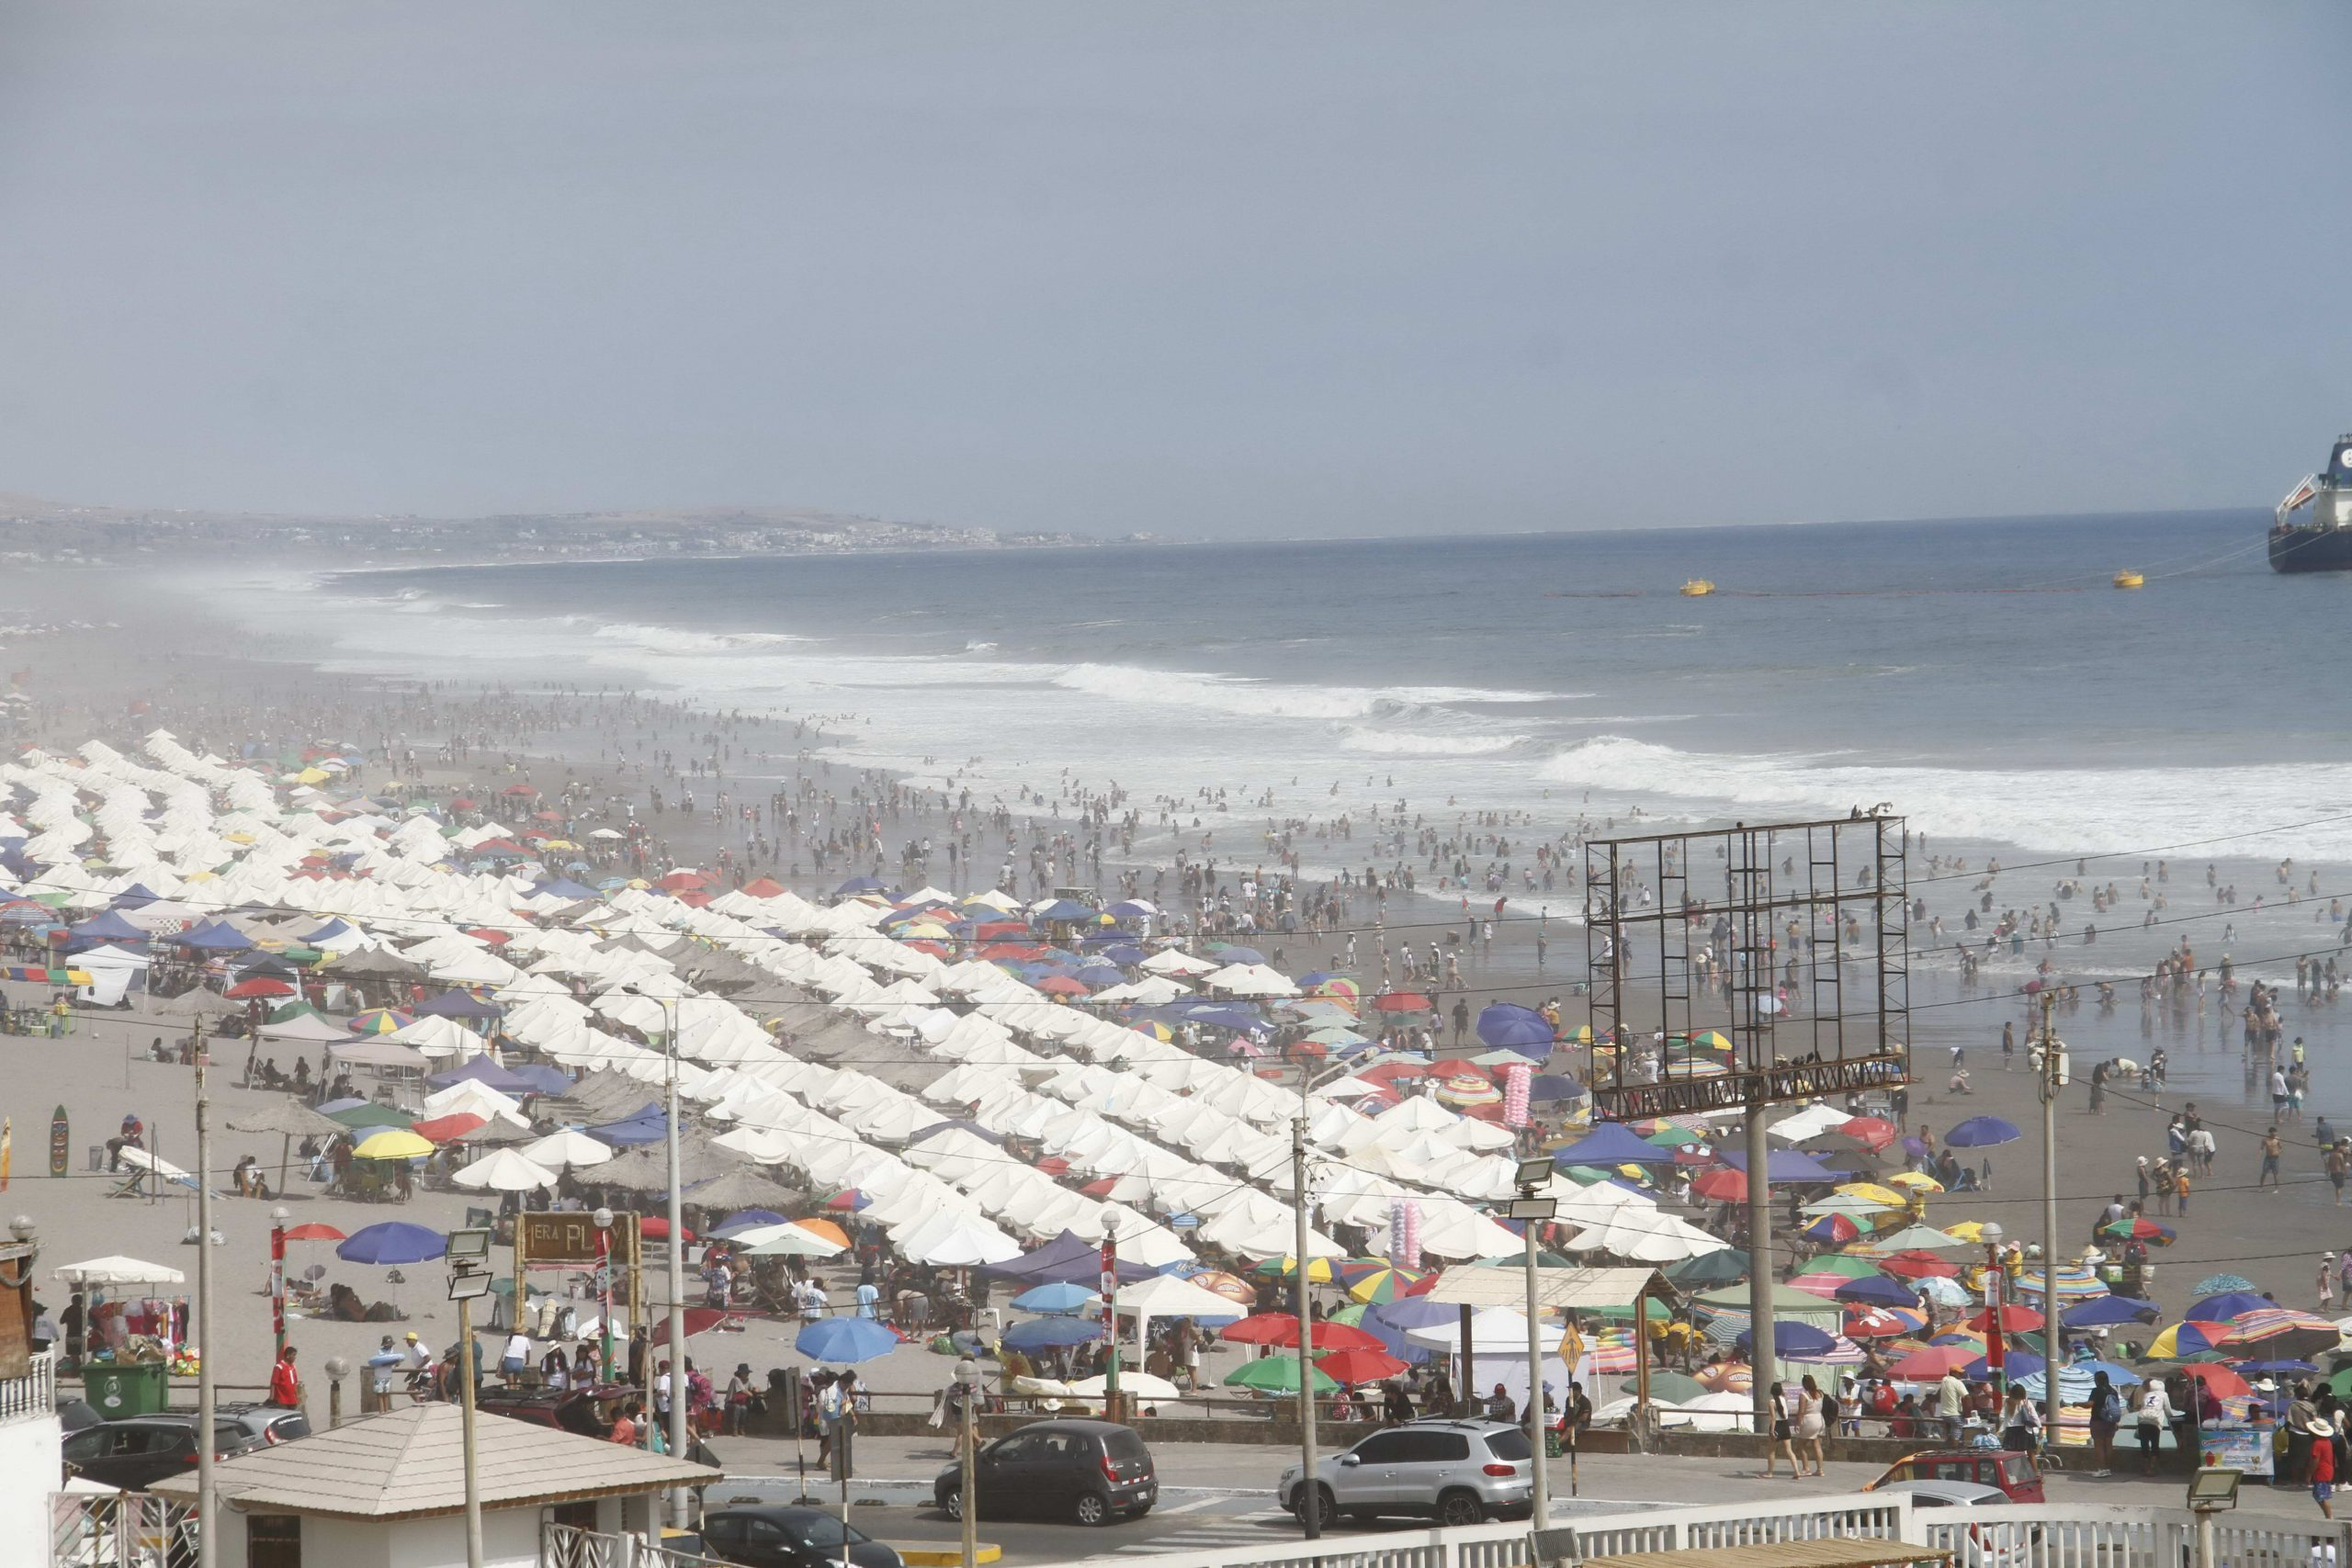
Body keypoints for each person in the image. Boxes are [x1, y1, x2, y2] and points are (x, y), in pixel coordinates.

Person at [2088, 1371, 2122, 1476]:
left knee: (2098, 1445)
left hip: (2098, 1420)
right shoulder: (2113, 1391)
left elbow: (2090, 1404)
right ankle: (2108, 1468)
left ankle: (2102, 1469)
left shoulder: (2096, 1390)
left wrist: (2077, 1403)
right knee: (2108, 1444)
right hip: (2111, 1421)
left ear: (2097, 1380)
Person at [1763, 1381, 1799, 1479]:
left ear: (1771, 1391)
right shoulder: (1784, 1399)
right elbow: (1785, 1395)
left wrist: (1772, 1431)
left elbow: (1773, 1418)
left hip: (1777, 1426)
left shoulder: (1771, 1402)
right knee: (1789, 1450)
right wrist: (1782, 1392)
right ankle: (1797, 1471)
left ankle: (1770, 1473)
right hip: (1785, 1425)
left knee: (1771, 1451)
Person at [2136, 1380, 2172, 1474]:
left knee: (2144, 1445)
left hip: (2142, 1420)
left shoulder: (2146, 1395)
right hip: (2155, 1421)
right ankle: (2151, 1468)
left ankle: (2145, 1467)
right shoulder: (2164, 1395)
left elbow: (2143, 1406)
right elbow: (2168, 1410)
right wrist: (2171, 1418)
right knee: (2155, 1445)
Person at [1795, 1374, 1827, 1478]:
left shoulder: (1804, 1395)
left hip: (1808, 1420)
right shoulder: (1820, 1394)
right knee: (1816, 1444)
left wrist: (1798, 1423)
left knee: (1801, 1445)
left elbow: (1801, 1411)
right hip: (1819, 1419)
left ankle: (1806, 1468)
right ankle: (1820, 1470)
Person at [2001, 1385, 2041, 1455]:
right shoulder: (2026, 1402)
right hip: (2024, 1431)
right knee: (2031, 1454)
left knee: (2012, 1454)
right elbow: (2035, 1417)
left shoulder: (2007, 1402)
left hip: (2011, 1431)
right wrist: (2040, 1428)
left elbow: (2001, 1416)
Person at [2316, 1417, 2340, 1520]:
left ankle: (2329, 1516)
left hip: (2321, 1472)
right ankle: (2328, 1515)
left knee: (2322, 1496)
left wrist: (2309, 1473)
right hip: (2327, 1471)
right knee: (2320, 1495)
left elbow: (2315, 1460)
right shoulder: (2328, 1442)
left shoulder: (2318, 1444)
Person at [1938, 1366, 1968, 1446]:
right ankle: (1955, 1448)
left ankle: (1948, 1447)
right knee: (1958, 1429)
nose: (1961, 1374)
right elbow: (1967, 1397)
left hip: (1944, 1414)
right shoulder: (1957, 1382)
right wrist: (1968, 1412)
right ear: (1953, 1373)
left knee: (1950, 1433)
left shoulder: (1944, 1380)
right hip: (1954, 1414)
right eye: (1959, 1373)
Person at [267, 1345, 301, 1409]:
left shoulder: (293, 1367)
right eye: (293, 1355)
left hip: (293, 1400)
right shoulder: (279, 1367)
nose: (295, 1357)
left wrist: (297, 1395)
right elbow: (273, 1382)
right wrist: (272, 1396)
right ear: (288, 1356)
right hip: (282, 1400)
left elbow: (295, 1382)